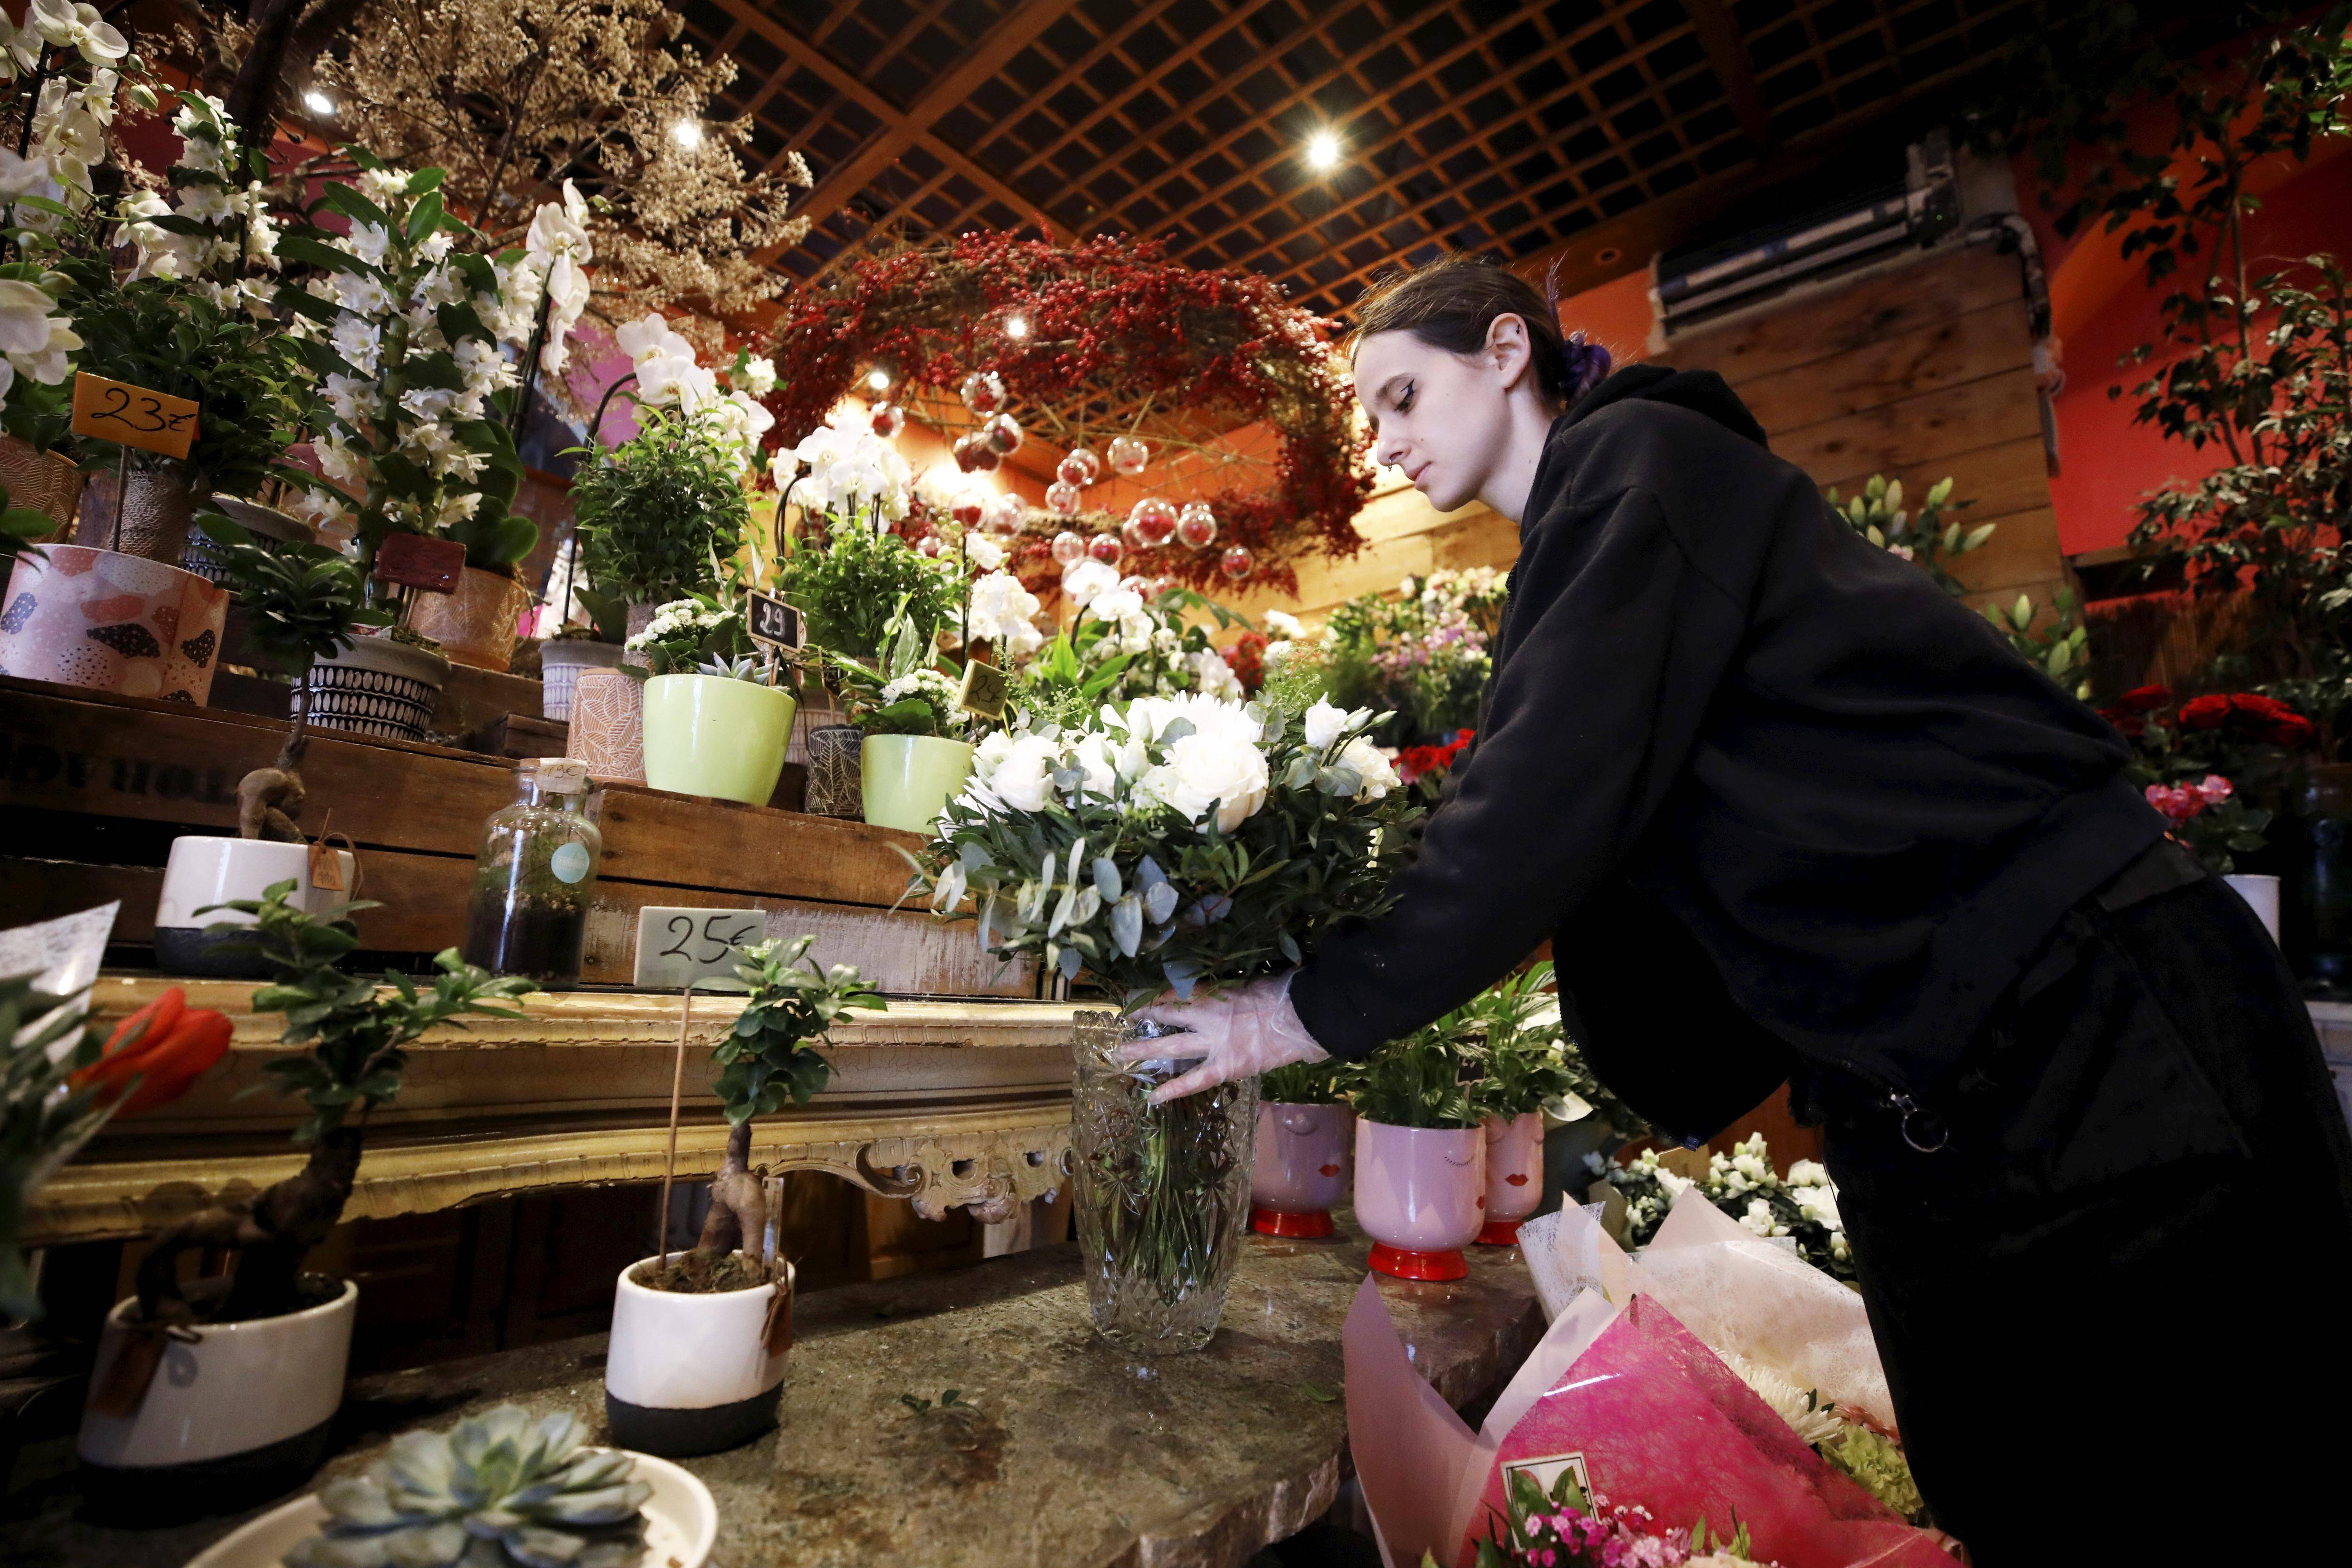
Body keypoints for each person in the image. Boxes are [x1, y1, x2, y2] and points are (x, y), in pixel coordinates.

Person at [1134, 254, 2352, 1560]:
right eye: (1369, 417)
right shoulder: (1599, 545)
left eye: (1402, 397)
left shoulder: (1644, 468)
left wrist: (1293, 1016)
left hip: (2096, 1031)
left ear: (1503, 353)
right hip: (1939, 1105)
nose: (1384, 446)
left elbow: (1548, 798)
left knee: (2215, 1489)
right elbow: (1617, 867)